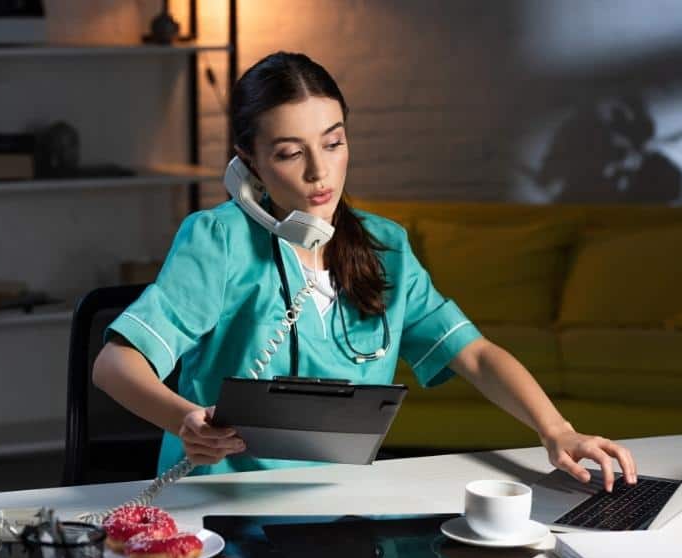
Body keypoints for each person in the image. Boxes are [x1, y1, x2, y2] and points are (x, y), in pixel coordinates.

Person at [93, 51, 637, 490]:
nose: (319, 171)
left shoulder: (386, 246)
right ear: (248, 162)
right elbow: (114, 366)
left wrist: (558, 431)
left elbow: (471, 352)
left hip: (347, 498)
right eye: (289, 153)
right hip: (221, 500)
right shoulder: (219, 240)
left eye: (333, 142)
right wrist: (182, 418)